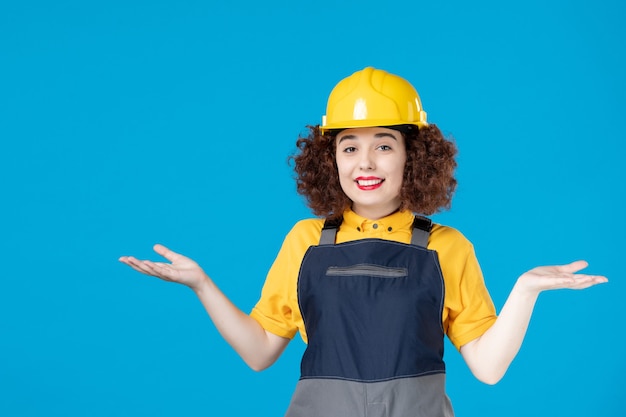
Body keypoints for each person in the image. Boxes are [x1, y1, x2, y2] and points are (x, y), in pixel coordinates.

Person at [119, 67, 607, 417]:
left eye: (383, 145)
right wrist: (203, 285)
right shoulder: (306, 240)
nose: (365, 162)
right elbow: (260, 351)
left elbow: (488, 368)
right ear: (329, 160)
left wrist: (524, 291)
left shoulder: (447, 247)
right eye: (349, 146)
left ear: (412, 157)